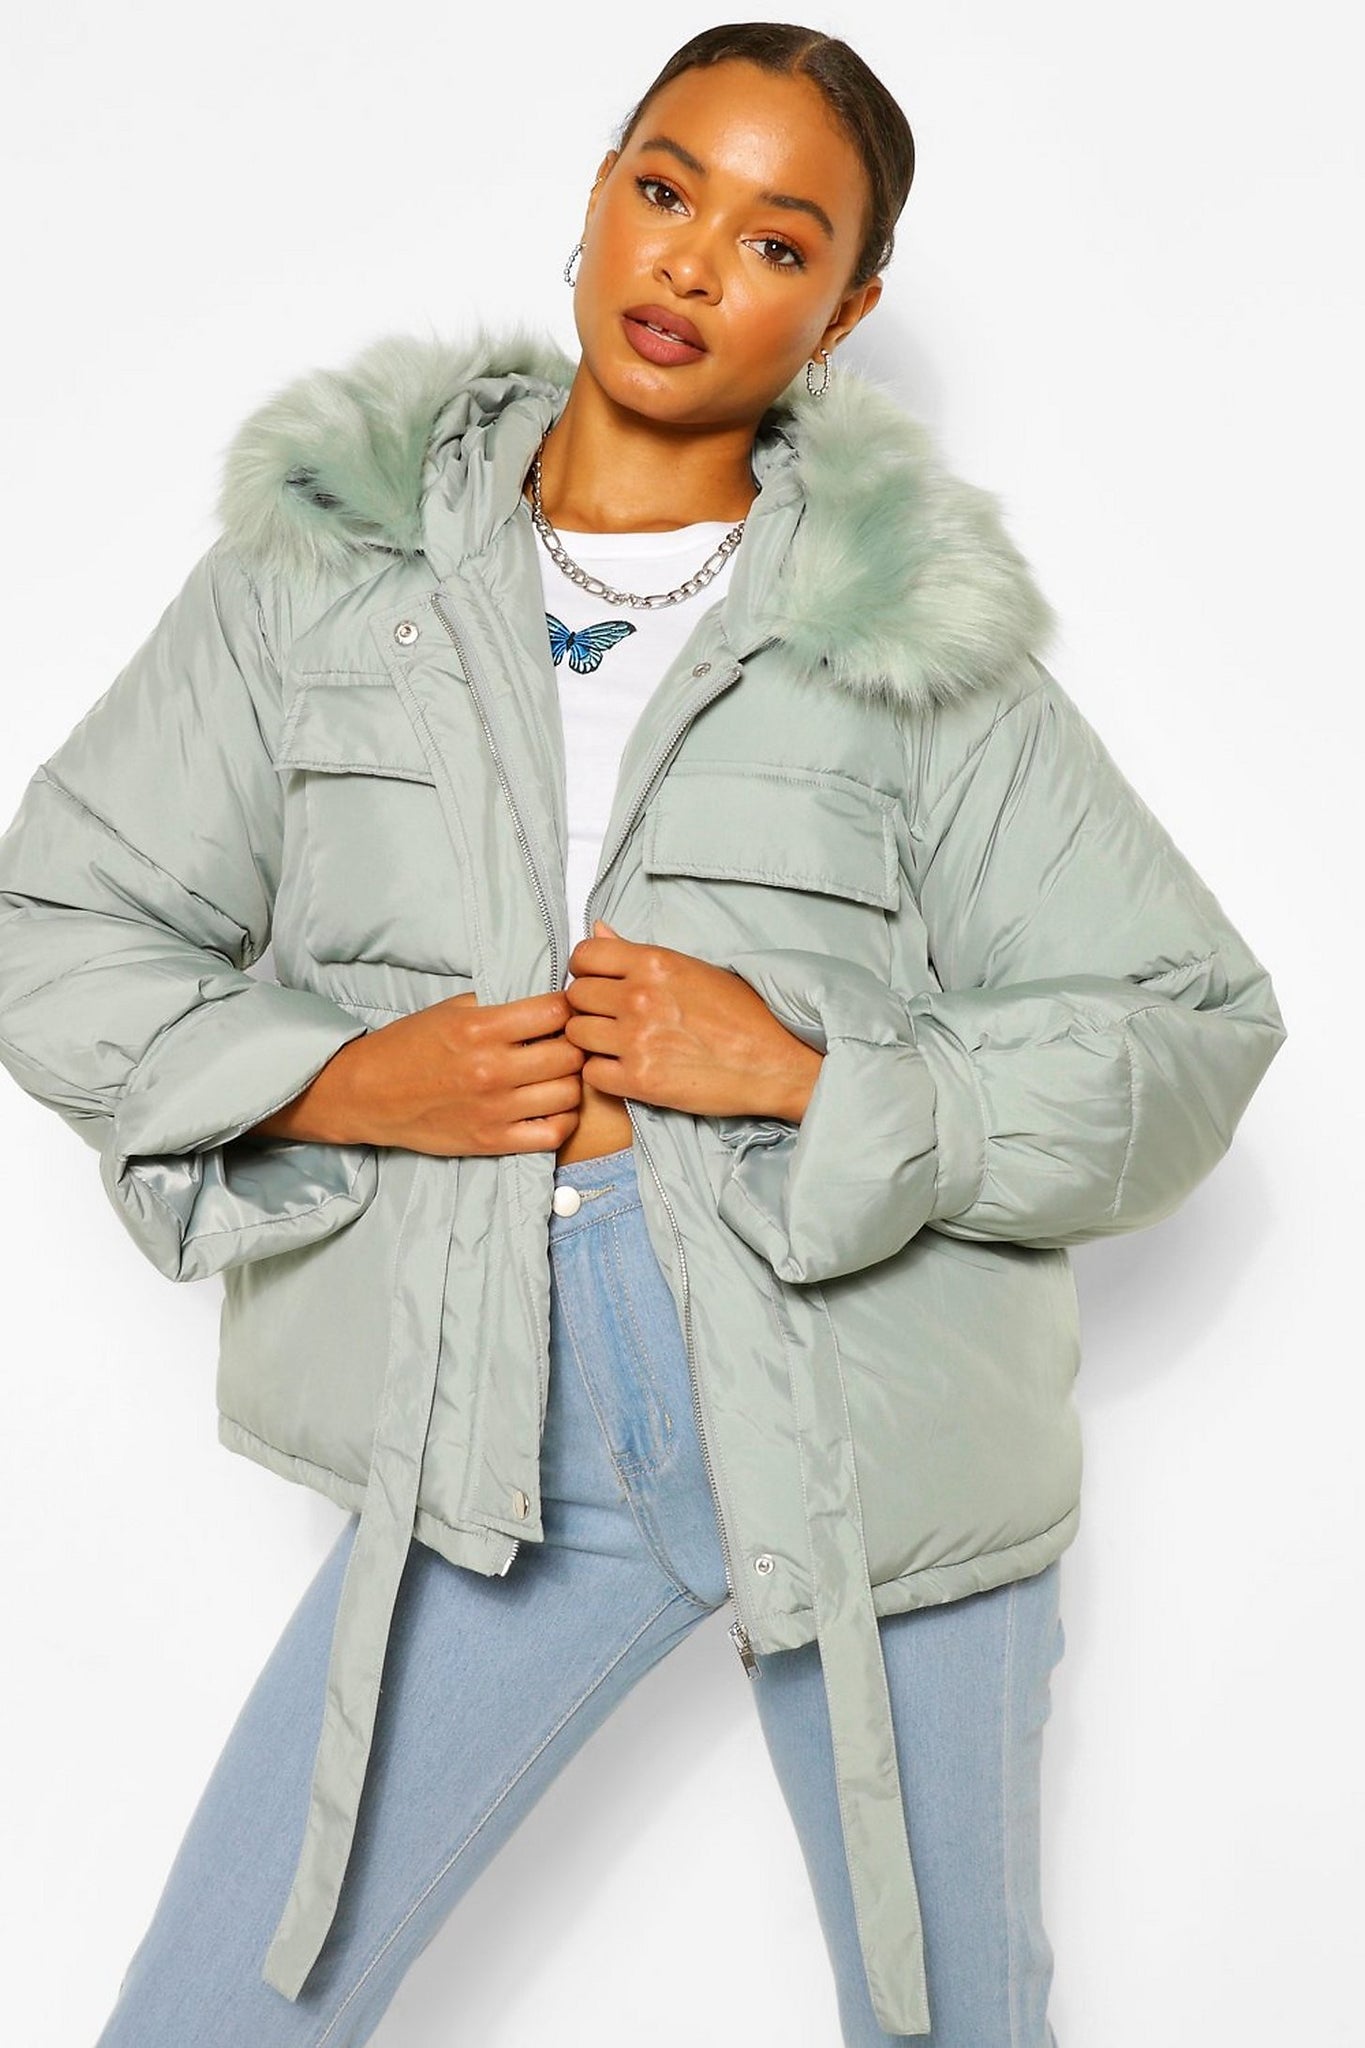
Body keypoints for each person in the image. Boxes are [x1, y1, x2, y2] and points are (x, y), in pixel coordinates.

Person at [0, 21, 1287, 2048]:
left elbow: (1191, 1026)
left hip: (865, 1420)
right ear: (599, 193)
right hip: (496, 1421)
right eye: (667, 190)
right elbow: (59, 924)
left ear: (843, 312)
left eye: (778, 242)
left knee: (949, 2028)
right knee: (216, 2013)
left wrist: (819, 1080)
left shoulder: (909, 640)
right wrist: (345, 1080)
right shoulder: (323, 576)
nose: (693, 262)